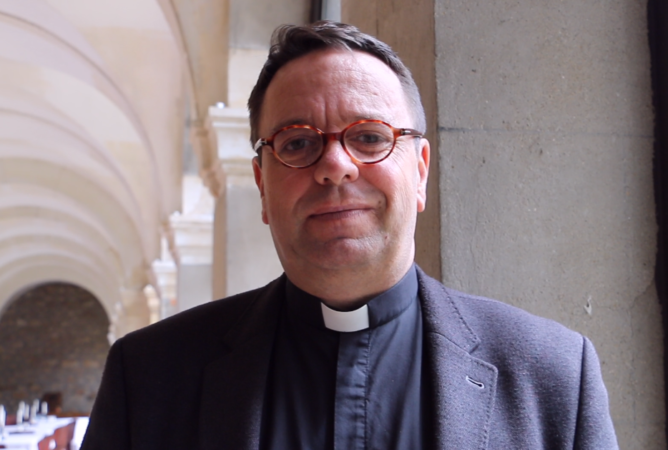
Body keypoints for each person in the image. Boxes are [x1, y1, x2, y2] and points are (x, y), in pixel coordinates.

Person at [81, 21, 618, 449]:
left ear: (420, 172)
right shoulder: (148, 377)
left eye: (369, 137)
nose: (336, 166)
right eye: (297, 143)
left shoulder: (552, 376)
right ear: (262, 185)